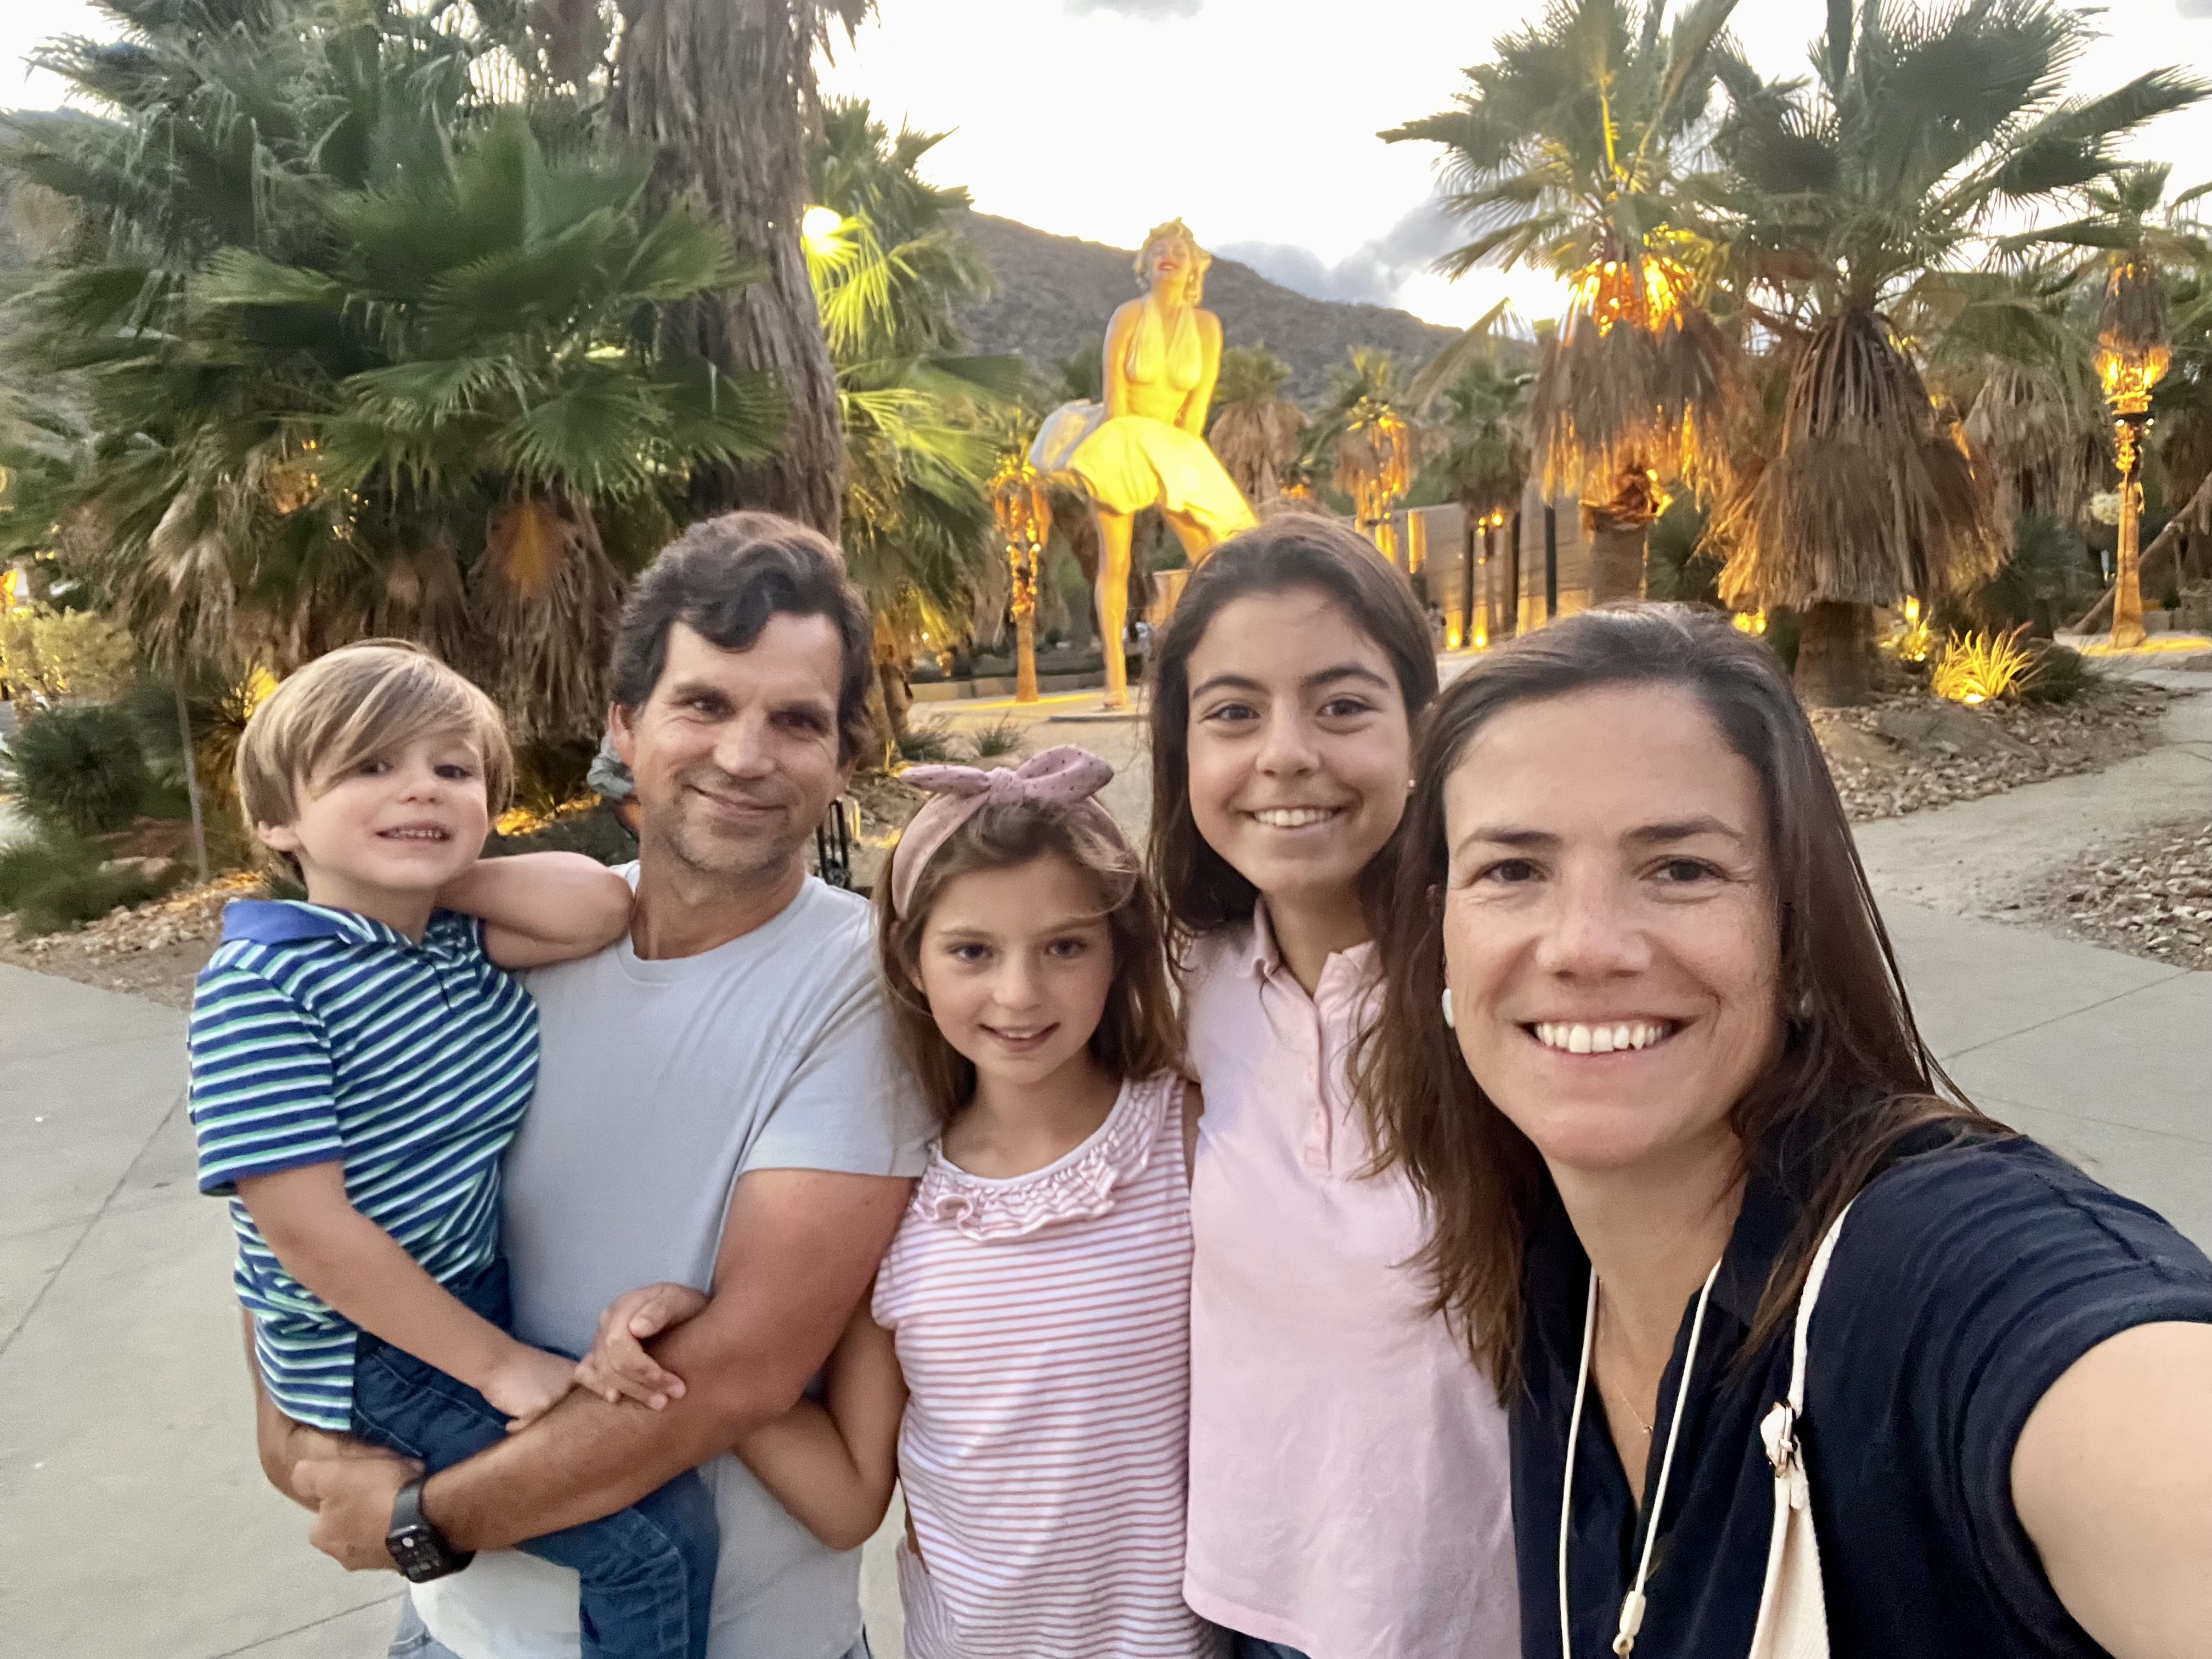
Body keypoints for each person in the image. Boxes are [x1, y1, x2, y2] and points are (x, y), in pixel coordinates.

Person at [1358, 603, 2212, 1658]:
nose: (1583, 944)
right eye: (1512, 869)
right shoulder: (1548, 1279)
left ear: (1796, 927)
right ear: (1438, 933)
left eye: (1680, 867)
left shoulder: (1928, 1274)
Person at [262, 513, 935, 1659]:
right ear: (626, 723)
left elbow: (740, 1371)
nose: (745, 754)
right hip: (453, 1634)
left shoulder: (868, 987)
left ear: (844, 756)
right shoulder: (490, 949)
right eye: (705, 705)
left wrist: (424, 1523)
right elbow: (306, 1204)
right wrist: (293, 1432)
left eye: (796, 721)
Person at [581, 744, 1212, 1659]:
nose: (1019, 991)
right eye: (971, 949)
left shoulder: (1184, 1135)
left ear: (1116, 951)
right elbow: (845, 1498)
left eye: (1065, 945)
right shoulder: (898, 1204)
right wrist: (692, 1344)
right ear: (912, 961)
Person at [194, 641, 707, 1659]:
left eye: (452, 768)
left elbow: (603, 905)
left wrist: (437, 876)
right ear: (276, 820)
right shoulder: (265, 983)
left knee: (658, 1492)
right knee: (647, 1542)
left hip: (460, 1300)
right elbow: (308, 1229)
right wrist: (499, 1363)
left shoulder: (452, 944)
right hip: (370, 1344)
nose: (418, 785)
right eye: (369, 767)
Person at [1144, 517, 1519, 1659]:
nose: (1287, 753)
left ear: (1421, 733)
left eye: (1343, 705)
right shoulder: (1171, 982)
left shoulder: (1505, 980)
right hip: (1252, 1604)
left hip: (1484, 1614)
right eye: (1234, 713)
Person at [1031, 218, 1257, 708]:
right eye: (1159, 248)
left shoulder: (1207, 327)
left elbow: (1195, 414)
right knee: (1116, 560)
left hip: (1176, 441)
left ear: (1195, 266)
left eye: (1179, 249)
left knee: (1216, 554)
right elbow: (1115, 403)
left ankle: (1221, 662)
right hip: (1125, 433)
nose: (1168, 254)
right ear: (1147, 263)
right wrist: (1128, 451)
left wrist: (1176, 468)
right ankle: (1114, 679)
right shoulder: (1129, 316)